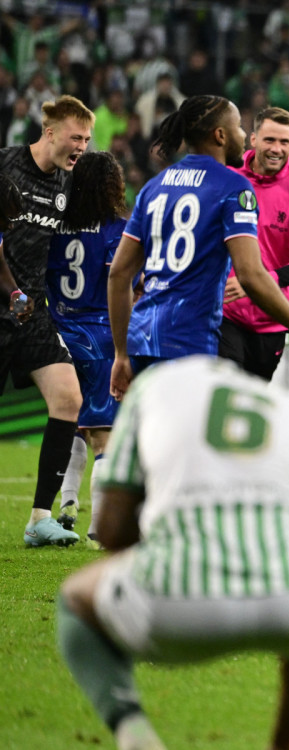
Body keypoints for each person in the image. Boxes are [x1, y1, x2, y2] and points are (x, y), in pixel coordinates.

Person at [57, 355, 289, 750]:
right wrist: (285, 733)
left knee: (75, 599)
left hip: (176, 607)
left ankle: (133, 732)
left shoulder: (156, 386)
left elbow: (112, 531)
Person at [108, 95, 289, 402]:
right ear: (221, 135)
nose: (243, 135)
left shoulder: (154, 186)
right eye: (239, 127)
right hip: (192, 339)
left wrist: (121, 352)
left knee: (157, 442)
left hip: (143, 339)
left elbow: (119, 274)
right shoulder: (233, 187)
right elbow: (251, 275)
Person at [0, 95, 93, 548]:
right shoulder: (5, 166)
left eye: (87, 141)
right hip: (4, 304)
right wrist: (11, 290)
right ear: (50, 131)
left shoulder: (65, 184)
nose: (81, 147)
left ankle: (39, 518)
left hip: (31, 313)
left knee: (68, 399)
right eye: (76, 137)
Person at [44, 152, 126, 546]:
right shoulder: (116, 230)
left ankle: (66, 506)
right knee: (104, 437)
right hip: (100, 338)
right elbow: (121, 283)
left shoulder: (54, 226)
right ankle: (99, 527)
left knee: (71, 421)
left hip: (57, 335)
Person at [220, 107, 289, 380]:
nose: (277, 149)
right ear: (253, 139)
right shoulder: (228, 179)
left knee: (250, 403)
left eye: (284, 142)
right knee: (226, 386)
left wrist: (258, 281)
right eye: (270, 140)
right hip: (223, 312)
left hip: (272, 321)